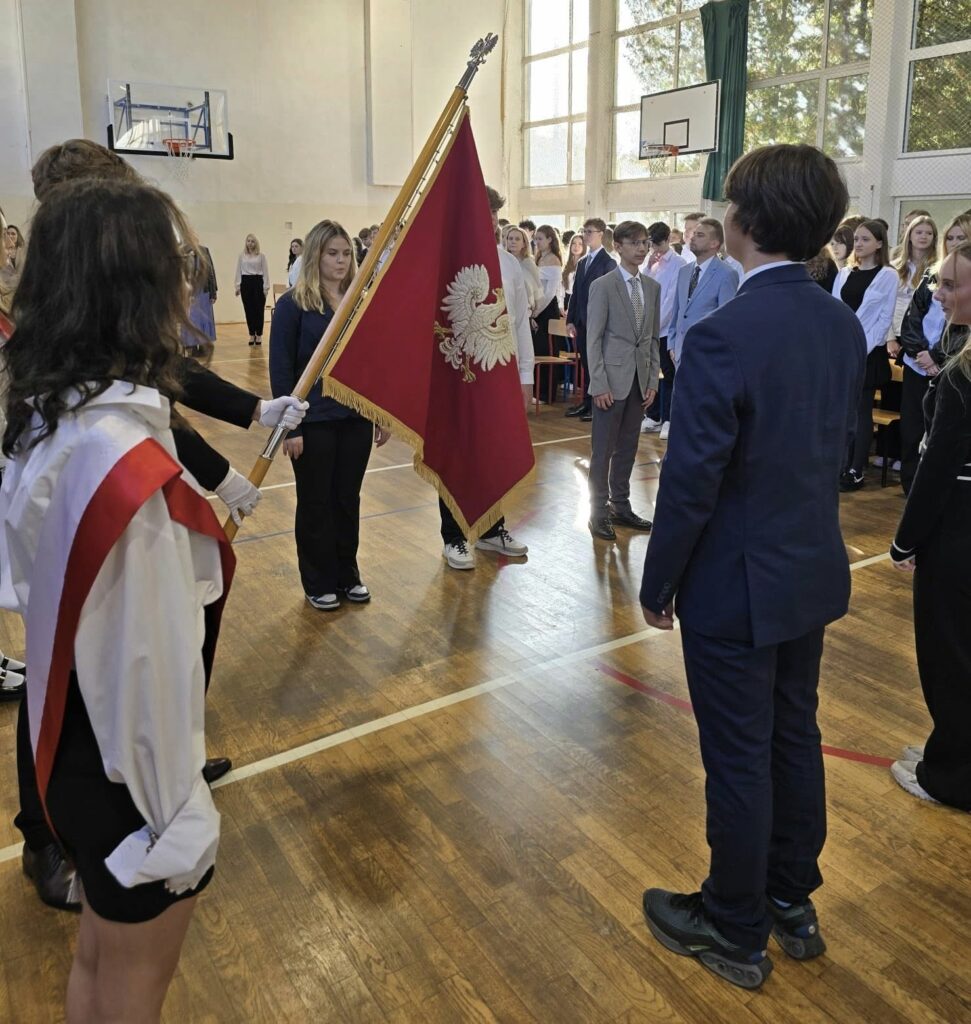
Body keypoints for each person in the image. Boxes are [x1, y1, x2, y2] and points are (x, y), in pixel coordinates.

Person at [11, 136, 306, 913]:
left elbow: (155, 391)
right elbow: (146, 415)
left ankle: (155, 771)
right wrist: (171, 816)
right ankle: (46, 833)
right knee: (71, 674)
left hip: (111, 505)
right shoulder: (96, 432)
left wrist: (248, 420)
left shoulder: (86, 370)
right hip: (125, 778)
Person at [0, 176, 234, 1023]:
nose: (187, 278)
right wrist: (176, 820)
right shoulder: (123, 468)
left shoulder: (50, 421)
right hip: (129, 770)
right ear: (134, 286)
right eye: (174, 263)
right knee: (131, 987)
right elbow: (147, 673)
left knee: (97, 966)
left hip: (65, 742)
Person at [639, 143, 866, 990]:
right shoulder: (838, 323)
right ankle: (787, 898)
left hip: (734, 583)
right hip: (807, 569)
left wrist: (658, 582)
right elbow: (835, 447)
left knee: (738, 755)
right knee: (791, 735)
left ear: (743, 222)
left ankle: (732, 924)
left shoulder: (723, 332)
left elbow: (691, 482)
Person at [270, 220, 390, 610]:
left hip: (354, 416)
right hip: (313, 419)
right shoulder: (293, 305)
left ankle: (346, 574)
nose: (340, 261)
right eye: (331, 254)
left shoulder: (361, 300)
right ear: (314, 256)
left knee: (346, 499)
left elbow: (373, 362)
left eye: (345, 254)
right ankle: (317, 580)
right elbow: (282, 368)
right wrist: (291, 428)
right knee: (315, 502)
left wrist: (380, 412)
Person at [889, 240, 971, 811]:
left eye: (949, 285)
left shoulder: (963, 371)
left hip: (957, 532)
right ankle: (955, 750)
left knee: (951, 656)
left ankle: (950, 774)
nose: (938, 293)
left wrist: (904, 538)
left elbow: (939, 463)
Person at [438, 186, 533, 570]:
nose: (491, 220)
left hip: (500, 372)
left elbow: (521, 322)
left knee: (492, 452)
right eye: (484, 212)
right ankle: (455, 535)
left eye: (495, 213)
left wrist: (525, 374)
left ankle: (492, 529)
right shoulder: (449, 260)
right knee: (457, 455)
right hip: (459, 375)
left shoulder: (508, 264)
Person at [586, 221, 660, 540]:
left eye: (645, 243)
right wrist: (598, 383)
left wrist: (653, 381)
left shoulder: (652, 287)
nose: (642, 248)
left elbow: (653, 339)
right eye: (635, 243)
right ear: (618, 246)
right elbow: (594, 339)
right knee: (603, 450)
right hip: (611, 381)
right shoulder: (603, 285)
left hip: (639, 381)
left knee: (628, 447)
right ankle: (598, 512)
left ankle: (621, 506)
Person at [896, 214, 971, 493]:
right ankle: (909, 483)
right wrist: (919, 353)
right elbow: (912, 318)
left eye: (960, 238)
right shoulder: (930, 273)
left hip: (947, 361)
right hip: (919, 363)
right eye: (950, 237)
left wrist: (937, 356)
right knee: (913, 427)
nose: (953, 243)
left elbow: (958, 329)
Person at [832, 219, 898, 491]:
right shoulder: (845, 274)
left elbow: (884, 320)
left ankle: (855, 470)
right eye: (856, 239)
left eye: (865, 239)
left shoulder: (888, 275)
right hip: (842, 349)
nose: (859, 244)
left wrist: (859, 346)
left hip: (868, 353)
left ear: (879, 243)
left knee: (860, 412)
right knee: (842, 412)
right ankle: (838, 464)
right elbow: (834, 310)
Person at [665, 218, 739, 439]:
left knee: (702, 415)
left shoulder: (726, 274)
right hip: (679, 352)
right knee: (682, 410)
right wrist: (671, 343)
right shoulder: (685, 271)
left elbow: (727, 321)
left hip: (707, 356)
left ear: (715, 243)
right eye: (693, 234)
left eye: (700, 235)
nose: (692, 238)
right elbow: (677, 312)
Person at [565, 218, 615, 421]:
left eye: (590, 232)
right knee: (586, 363)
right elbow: (575, 293)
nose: (586, 236)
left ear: (601, 234)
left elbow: (610, 296)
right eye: (584, 231)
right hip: (582, 322)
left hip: (598, 322)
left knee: (597, 364)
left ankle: (597, 404)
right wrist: (571, 319)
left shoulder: (608, 262)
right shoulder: (583, 262)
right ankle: (586, 402)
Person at [641, 222, 685, 435]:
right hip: (649, 327)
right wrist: (648, 266)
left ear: (668, 240)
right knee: (650, 372)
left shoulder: (679, 263)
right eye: (651, 244)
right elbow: (642, 288)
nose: (655, 249)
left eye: (658, 244)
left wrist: (656, 324)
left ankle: (668, 418)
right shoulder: (651, 262)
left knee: (668, 374)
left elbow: (671, 299)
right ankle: (652, 414)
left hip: (666, 328)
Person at [533, 225, 564, 401]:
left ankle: (546, 393)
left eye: (540, 239)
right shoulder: (538, 258)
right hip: (537, 307)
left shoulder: (553, 260)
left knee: (546, 350)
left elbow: (550, 292)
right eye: (535, 239)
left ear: (550, 240)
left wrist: (535, 311)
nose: (537, 242)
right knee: (536, 349)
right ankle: (536, 391)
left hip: (546, 309)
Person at [234, 234, 270, 345]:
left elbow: (265, 272)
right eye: (248, 241)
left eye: (252, 241)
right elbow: (238, 271)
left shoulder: (261, 256)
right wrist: (237, 286)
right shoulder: (242, 256)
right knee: (248, 310)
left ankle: (259, 335)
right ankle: (251, 334)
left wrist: (266, 287)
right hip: (246, 283)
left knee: (259, 310)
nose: (250, 243)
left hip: (258, 282)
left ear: (256, 243)